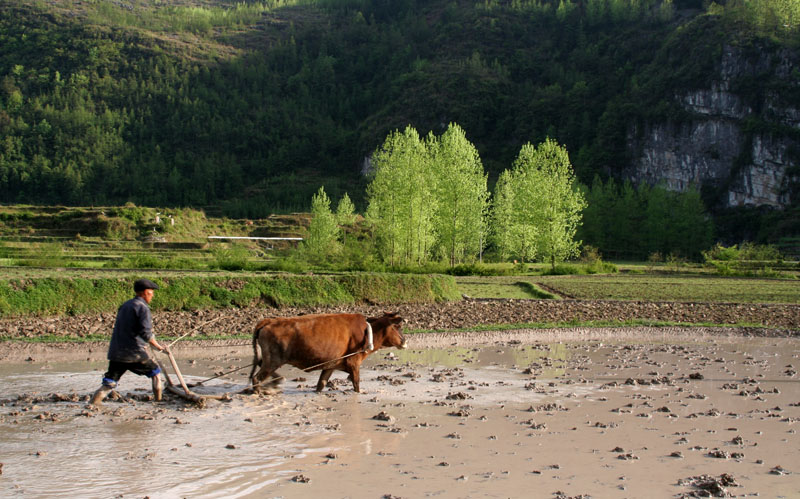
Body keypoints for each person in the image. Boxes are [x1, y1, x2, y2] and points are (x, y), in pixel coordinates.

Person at [90, 278, 167, 406]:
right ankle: (158, 403)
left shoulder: (126, 305)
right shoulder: (143, 308)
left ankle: (93, 404)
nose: (152, 295)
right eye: (151, 292)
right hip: (133, 353)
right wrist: (159, 346)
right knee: (156, 373)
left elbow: (129, 329)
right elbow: (146, 333)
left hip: (117, 352)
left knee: (109, 384)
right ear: (145, 292)